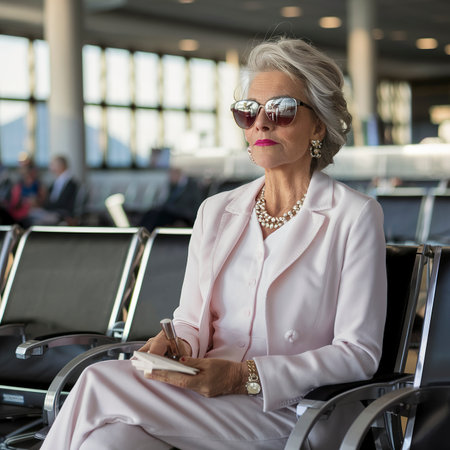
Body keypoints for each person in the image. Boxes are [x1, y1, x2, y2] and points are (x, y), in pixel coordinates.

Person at [41, 37, 387, 450]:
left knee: (98, 380)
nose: (261, 123)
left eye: (282, 110)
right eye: (249, 111)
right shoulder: (216, 211)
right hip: (203, 392)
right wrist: (176, 342)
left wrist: (246, 376)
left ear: (318, 125)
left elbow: (358, 353)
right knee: (107, 441)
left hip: (294, 409)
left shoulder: (354, 215)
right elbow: (189, 319)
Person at [139, 167, 203, 231]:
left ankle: (146, 233)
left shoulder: (192, 186)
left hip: (182, 214)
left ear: (178, 174)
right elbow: (167, 200)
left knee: (156, 217)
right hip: (171, 212)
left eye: (171, 175)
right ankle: (141, 231)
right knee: (151, 213)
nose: (170, 178)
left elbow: (196, 206)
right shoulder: (173, 186)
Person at [28, 155, 79, 225]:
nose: (50, 168)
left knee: (34, 219)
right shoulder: (57, 181)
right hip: (54, 211)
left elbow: (62, 203)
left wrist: (42, 205)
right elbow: (47, 196)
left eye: (53, 165)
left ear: (60, 166)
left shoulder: (71, 183)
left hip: (61, 213)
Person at [7, 153, 46, 226]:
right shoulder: (18, 186)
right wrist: (24, 201)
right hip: (21, 215)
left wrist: (36, 202)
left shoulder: (38, 185)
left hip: (34, 213)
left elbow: (43, 201)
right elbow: (13, 205)